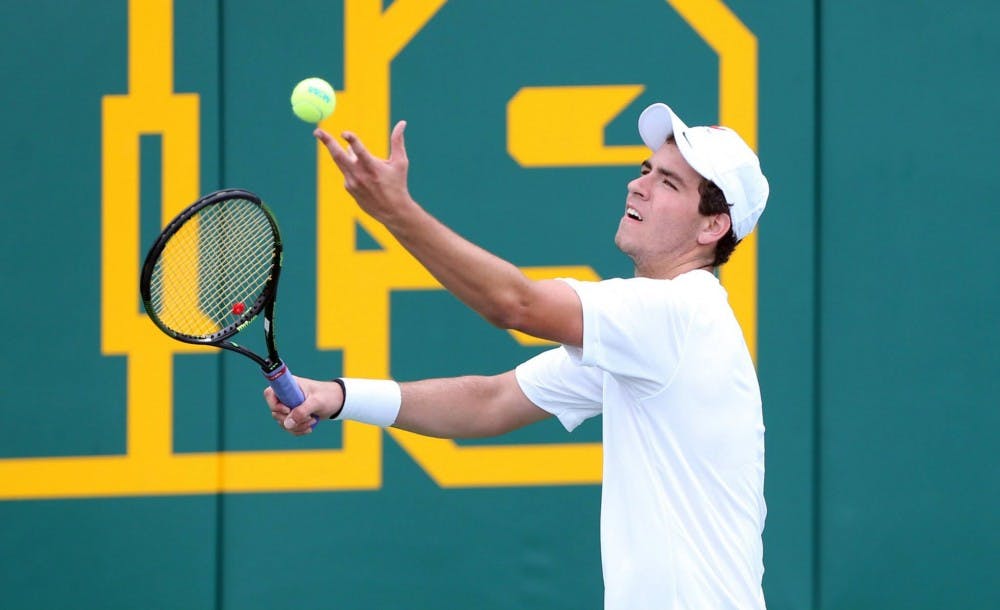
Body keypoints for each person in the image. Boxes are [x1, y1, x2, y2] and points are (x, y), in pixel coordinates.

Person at [265, 102, 770, 610]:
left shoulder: (678, 313)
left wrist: (396, 211)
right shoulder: (648, 341)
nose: (637, 185)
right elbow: (491, 400)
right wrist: (339, 395)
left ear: (712, 228)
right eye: (646, 170)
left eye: (669, 183)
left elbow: (514, 303)